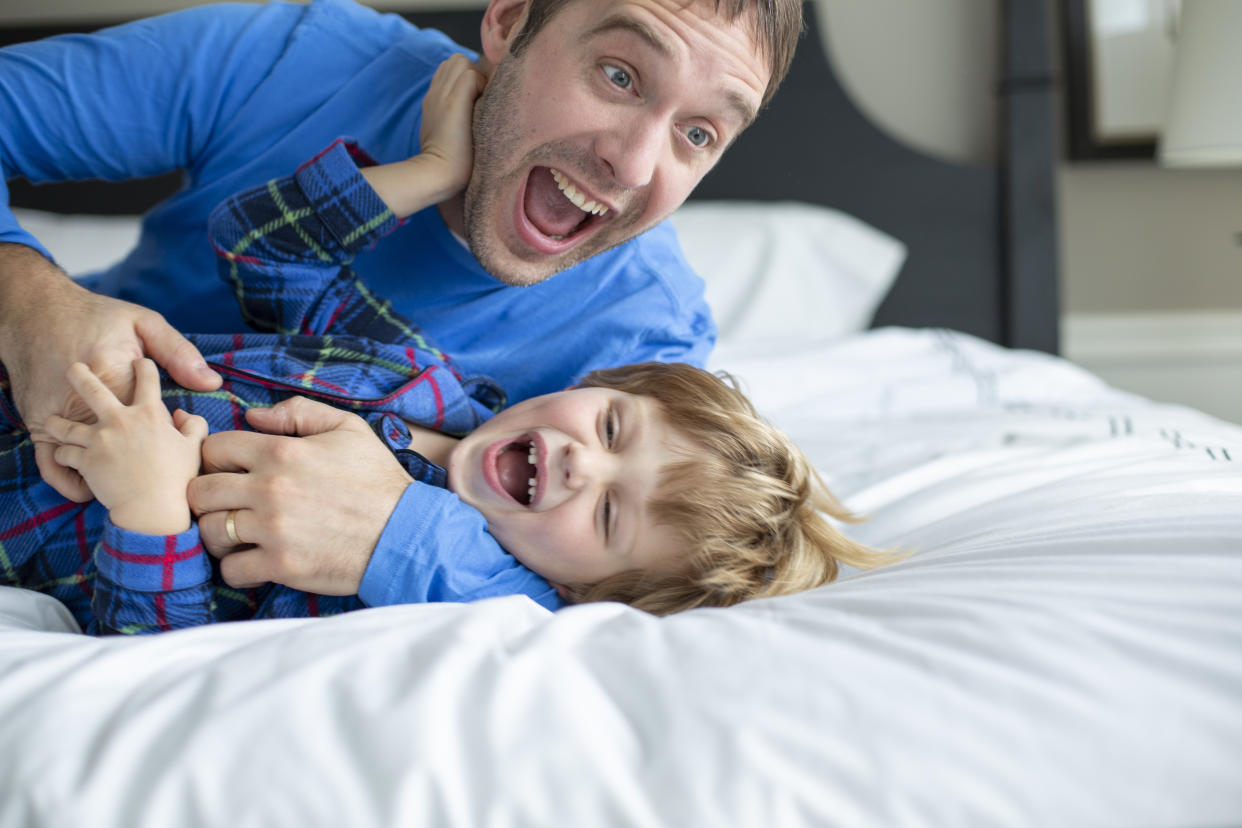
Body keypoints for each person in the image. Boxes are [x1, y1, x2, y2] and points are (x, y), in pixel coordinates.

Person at [0, 0, 802, 604]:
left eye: (698, 133)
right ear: (511, 22)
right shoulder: (419, 383)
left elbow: (613, 606)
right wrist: (25, 293)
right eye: (619, 74)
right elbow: (262, 251)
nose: (631, 165)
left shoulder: (645, 343)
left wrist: (397, 541)